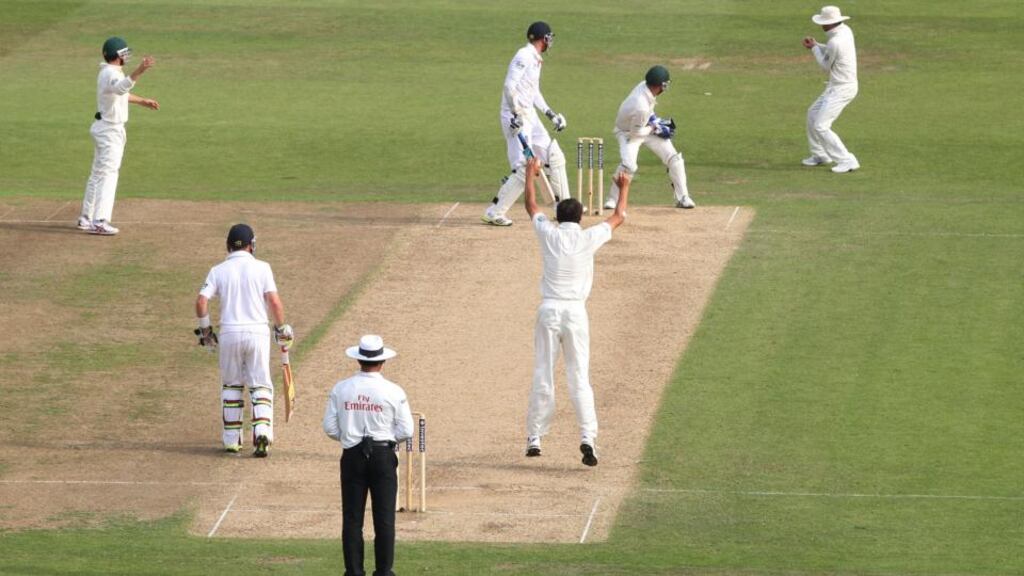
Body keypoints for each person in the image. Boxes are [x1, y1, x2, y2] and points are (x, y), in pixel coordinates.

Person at [522, 155, 630, 466]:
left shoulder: (549, 234)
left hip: (548, 310)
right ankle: (588, 439)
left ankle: (535, 438)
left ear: (557, 217)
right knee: (579, 377)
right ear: (580, 218)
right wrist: (624, 187)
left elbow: (531, 206)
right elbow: (620, 215)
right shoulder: (587, 237)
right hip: (575, 313)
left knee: (543, 373)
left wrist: (531, 173)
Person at [194, 224, 293, 457]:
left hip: (229, 333)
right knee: (260, 384)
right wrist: (281, 329)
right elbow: (275, 302)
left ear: (228, 245)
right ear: (252, 245)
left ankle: (231, 439)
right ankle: (261, 433)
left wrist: (206, 332)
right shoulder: (263, 268)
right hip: (257, 332)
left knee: (232, 384)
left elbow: (201, 302)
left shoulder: (218, 270)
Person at [323, 335, 414, 576]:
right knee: (384, 519)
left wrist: (349, 438)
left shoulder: (341, 388)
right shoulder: (393, 391)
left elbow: (330, 427)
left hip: (352, 455)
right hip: (383, 454)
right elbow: (406, 430)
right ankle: (384, 572)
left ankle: (353, 572)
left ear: (359, 360)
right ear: (382, 361)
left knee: (352, 518)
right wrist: (386, 440)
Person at [482, 21, 571, 227]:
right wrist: (515, 113)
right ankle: (494, 212)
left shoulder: (535, 59)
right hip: (516, 117)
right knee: (525, 167)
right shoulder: (523, 56)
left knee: (553, 155)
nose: (551, 42)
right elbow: (509, 86)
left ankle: (564, 208)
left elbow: (533, 91)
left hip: (529, 115)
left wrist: (550, 114)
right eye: (550, 37)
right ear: (544, 39)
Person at [77, 37, 160, 235]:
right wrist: (140, 70)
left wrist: (142, 101)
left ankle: (86, 217)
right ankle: (100, 221)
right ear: (117, 56)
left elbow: (119, 93)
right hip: (109, 130)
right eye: (124, 53)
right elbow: (121, 87)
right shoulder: (109, 73)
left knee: (98, 173)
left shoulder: (111, 72)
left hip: (105, 127)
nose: (126, 57)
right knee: (109, 173)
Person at [603, 65, 695, 211]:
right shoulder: (640, 105)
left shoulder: (644, 86)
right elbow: (635, 133)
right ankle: (612, 199)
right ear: (661, 86)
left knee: (674, 158)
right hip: (627, 133)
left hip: (642, 127)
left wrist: (654, 121)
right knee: (629, 165)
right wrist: (655, 127)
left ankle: (683, 197)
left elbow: (648, 114)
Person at [801, 6, 859, 173]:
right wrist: (817, 44)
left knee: (821, 126)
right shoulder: (845, 30)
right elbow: (833, 50)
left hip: (842, 89)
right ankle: (820, 155)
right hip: (836, 86)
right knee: (812, 113)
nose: (821, 25)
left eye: (823, 22)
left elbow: (826, 66)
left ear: (828, 23)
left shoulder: (835, 41)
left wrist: (813, 49)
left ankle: (847, 160)